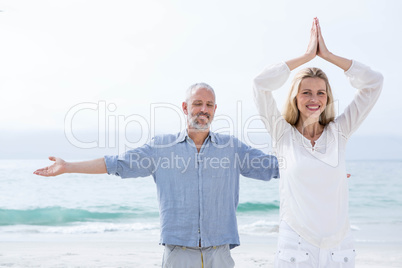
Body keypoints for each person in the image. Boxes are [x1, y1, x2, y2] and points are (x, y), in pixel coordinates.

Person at [34, 82, 279, 268]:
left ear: (215, 109)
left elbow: (274, 167)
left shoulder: (232, 147)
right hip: (177, 254)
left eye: (209, 105)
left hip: (220, 254)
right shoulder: (161, 148)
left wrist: (314, 154)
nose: (203, 110)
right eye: (197, 103)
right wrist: (68, 166)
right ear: (185, 107)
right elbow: (117, 163)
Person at [253, 18, 383, 267]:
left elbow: (374, 82)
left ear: (328, 97)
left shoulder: (339, 132)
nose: (314, 99)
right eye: (306, 92)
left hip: (339, 247)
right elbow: (260, 83)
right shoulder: (282, 134)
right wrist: (306, 56)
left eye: (321, 92)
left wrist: (328, 55)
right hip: (295, 246)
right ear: (295, 97)